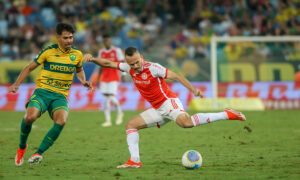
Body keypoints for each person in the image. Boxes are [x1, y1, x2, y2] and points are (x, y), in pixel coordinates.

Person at [83, 47, 246, 168]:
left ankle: (227, 114)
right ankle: (135, 161)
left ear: (142, 57)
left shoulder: (153, 68)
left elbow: (177, 76)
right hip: (157, 110)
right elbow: (108, 63)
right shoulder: (128, 68)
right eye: (132, 64)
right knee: (131, 125)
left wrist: (194, 90)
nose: (136, 66)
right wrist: (92, 59)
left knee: (186, 123)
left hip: (169, 103)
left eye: (137, 62)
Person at [10, 22, 92, 166]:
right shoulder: (48, 51)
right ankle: (22, 147)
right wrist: (16, 84)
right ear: (58, 38)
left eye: (71, 37)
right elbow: (29, 68)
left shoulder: (77, 54)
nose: (69, 41)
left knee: (61, 121)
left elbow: (79, 70)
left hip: (60, 96)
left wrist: (83, 81)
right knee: (30, 117)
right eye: (66, 38)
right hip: (42, 92)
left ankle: (38, 153)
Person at [94, 34, 124, 127]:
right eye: (104, 41)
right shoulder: (101, 52)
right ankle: (108, 120)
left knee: (110, 96)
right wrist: (98, 78)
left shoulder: (116, 50)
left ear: (110, 40)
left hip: (114, 76)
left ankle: (119, 112)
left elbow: (122, 63)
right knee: (106, 97)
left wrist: (123, 74)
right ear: (103, 41)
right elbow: (100, 66)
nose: (106, 42)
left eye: (107, 40)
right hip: (104, 77)